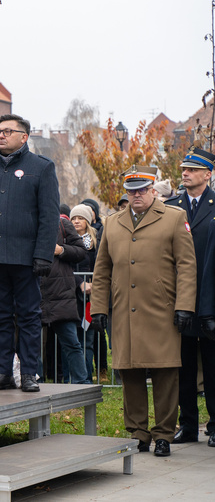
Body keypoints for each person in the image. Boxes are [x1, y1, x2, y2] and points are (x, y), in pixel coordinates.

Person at [91, 165, 196, 457]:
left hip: (161, 310)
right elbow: (102, 270)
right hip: (125, 311)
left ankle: (163, 434)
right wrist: (99, 308)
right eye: (131, 191)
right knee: (130, 374)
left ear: (153, 190)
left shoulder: (174, 218)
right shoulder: (112, 222)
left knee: (165, 373)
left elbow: (186, 266)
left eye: (142, 190)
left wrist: (185, 306)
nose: (136, 195)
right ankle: (138, 433)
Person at [0, 113, 60, 393]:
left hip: (26, 258)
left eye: (7, 131)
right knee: (1, 317)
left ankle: (29, 373)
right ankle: (3, 372)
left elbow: (49, 215)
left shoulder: (41, 167)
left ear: (24, 137)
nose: (0, 135)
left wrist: (43, 254)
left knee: (28, 316)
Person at [165, 148, 215, 445]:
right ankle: (188, 425)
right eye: (184, 168)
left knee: (212, 367)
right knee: (182, 367)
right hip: (179, 297)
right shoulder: (171, 206)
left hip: (209, 297)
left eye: (193, 169)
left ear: (208, 174)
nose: (186, 173)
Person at [39, 215, 88, 383]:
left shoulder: (61, 223)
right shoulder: (23, 220)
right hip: (34, 292)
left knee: (72, 343)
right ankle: (34, 382)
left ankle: (81, 383)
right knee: (31, 346)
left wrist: (62, 250)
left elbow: (81, 251)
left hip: (61, 295)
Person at [70, 204, 99, 381]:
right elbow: (66, 267)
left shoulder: (97, 243)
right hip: (72, 296)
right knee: (73, 340)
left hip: (91, 298)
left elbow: (101, 266)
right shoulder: (67, 241)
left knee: (88, 340)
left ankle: (87, 377)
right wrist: (80, 282)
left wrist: (94, 283)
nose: (76, 222)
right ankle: (73, 377)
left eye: (80, 218)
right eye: (73, 218)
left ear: (87, 221)